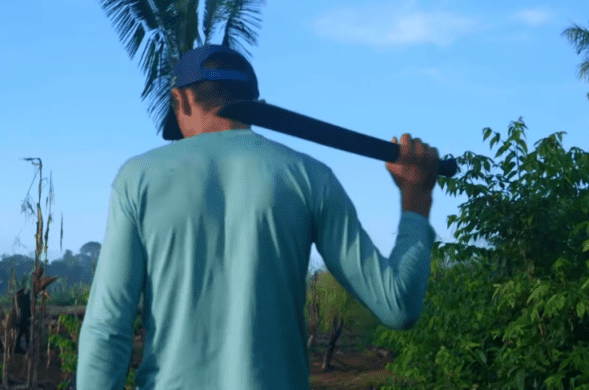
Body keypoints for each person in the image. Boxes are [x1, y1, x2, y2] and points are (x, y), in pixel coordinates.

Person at [76, 44, 439, 390]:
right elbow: (398, 305)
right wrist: (416, 199)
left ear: (180, 99)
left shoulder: (139, 178)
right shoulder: (310, 177)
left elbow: (107, 329)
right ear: (253, 102)